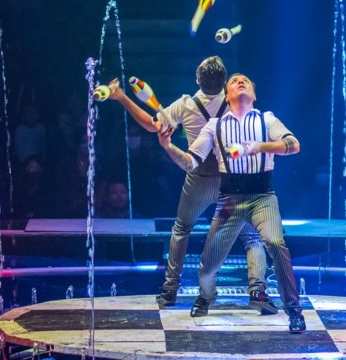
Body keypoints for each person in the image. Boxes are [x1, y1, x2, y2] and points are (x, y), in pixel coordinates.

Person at [105, 57, 271, 313]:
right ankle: (258, 291)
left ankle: (170, 290)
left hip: (200, 178)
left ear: (197, 80)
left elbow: (153, 125)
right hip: (235, 179)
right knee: (251, 235)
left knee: (182, 229)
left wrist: (121, 98)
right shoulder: (236, 102)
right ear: (225, 83)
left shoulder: (186, 105)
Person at [156, 73, 306, 334]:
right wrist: (167, 145)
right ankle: (206, 294)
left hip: (262, 195)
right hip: (230, 199)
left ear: (254, 95)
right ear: (226, 96)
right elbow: (190, 162)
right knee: (207, 266)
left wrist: (260, 147)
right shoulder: (215, 126)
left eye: (245, 80)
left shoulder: (265, 119)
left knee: (274, 241)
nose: (240, 81)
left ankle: (293, 309)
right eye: (234, 80)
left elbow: (293, 145)